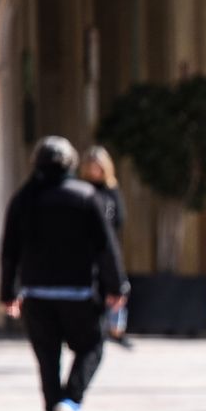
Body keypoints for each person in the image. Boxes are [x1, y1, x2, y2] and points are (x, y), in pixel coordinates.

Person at [0, 136, 127, 411]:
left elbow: (9, 250)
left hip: (36, 294)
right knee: (92, 346)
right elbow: (106, 247)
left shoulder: (23, 199)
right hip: (79, 293)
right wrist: (116, 285)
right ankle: (71, 401)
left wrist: (7, 292)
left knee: (47, 358)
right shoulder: (85, 197)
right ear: (70, 163)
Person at [78, 146, 130, 346]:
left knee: (117, 281)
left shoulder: (111, 191)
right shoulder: (83, 190)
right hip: (86, 248)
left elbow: (119, 219)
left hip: (107, 244)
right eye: (91, 167)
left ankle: (117, 328)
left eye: (98, 167)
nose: (94, 171)